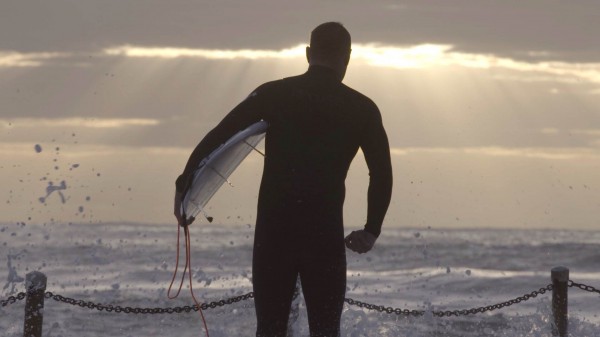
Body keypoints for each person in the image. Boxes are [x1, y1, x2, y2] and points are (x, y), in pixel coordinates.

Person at [174, 22, 393, 337]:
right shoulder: (362, 108)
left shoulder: (274, 93)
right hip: (324, 234)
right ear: (347, 57)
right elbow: (382, 173)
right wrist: (372, 229)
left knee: (271, 329)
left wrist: (184, 187)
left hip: (274, 234)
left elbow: (219, 136)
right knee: (326, 330)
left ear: (307, 53)